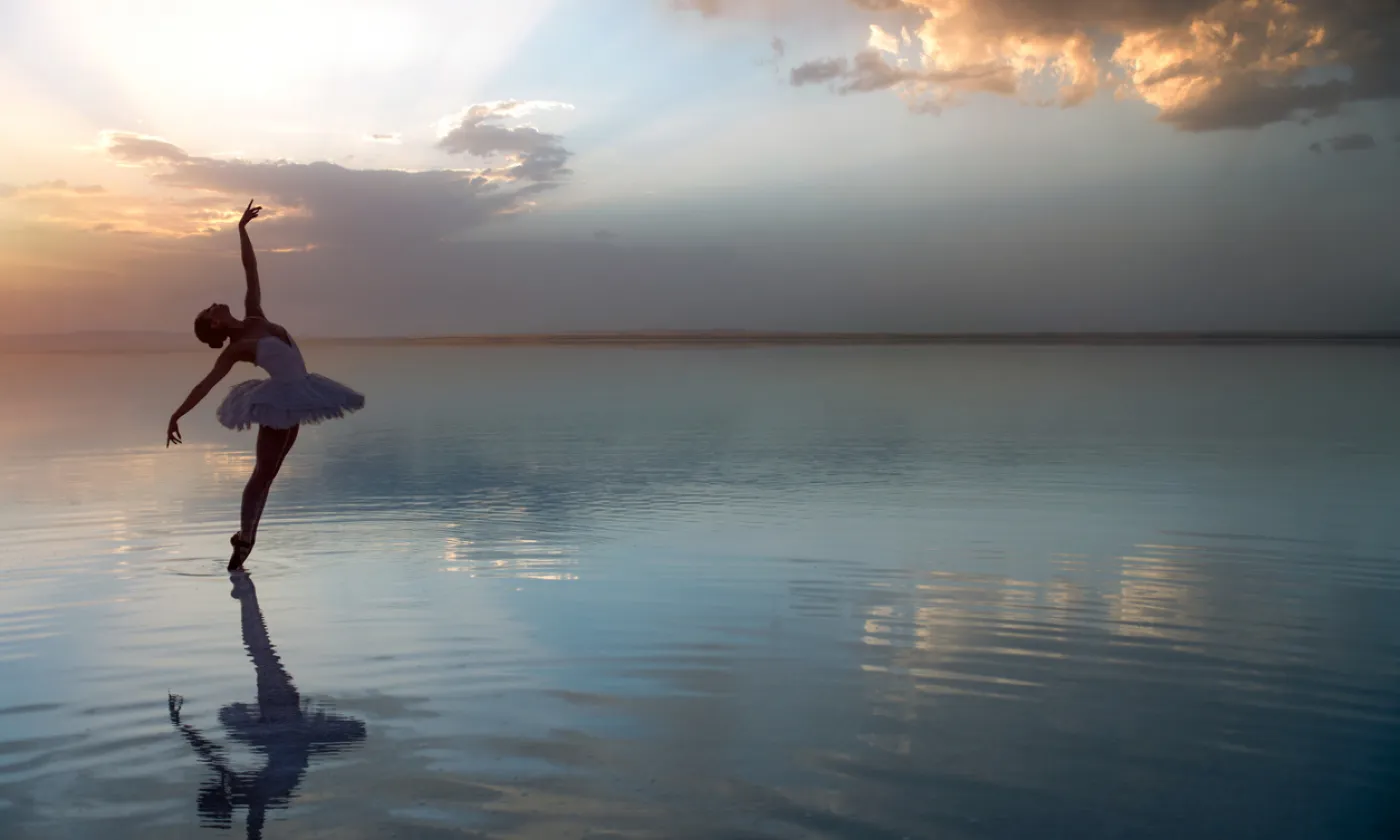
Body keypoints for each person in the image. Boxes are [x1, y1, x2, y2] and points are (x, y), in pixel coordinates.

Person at [166, 199, 364, 570]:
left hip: (299, 392)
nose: (214, 305)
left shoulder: (254, 313)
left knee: (270, 473)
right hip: (279, 402)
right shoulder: (237, 349)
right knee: (262, 472)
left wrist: (241, 230)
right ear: (216, 327)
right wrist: (177, 414)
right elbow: (206, 384)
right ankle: (244, 539)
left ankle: (245, 538)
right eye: (210, 312)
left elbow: (250, 269)